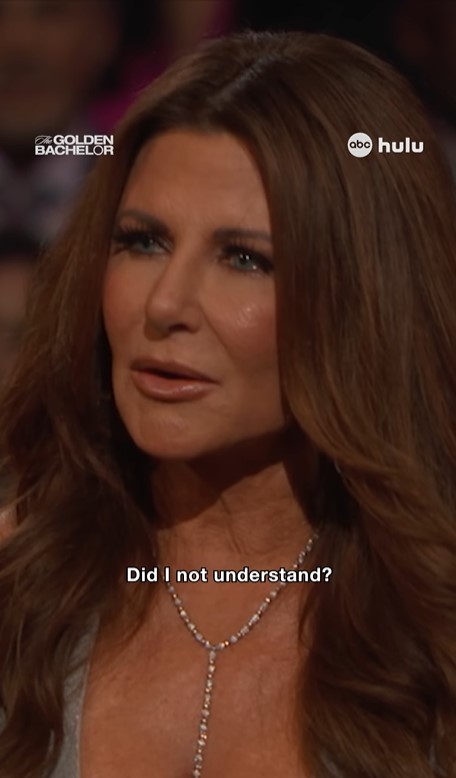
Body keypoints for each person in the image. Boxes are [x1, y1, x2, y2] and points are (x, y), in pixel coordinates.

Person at [0, 29, 455, 778]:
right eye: (143, 242)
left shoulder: (435, 628)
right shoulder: (21, 585)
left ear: (363, 298)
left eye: (245, 258)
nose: (165, 304)